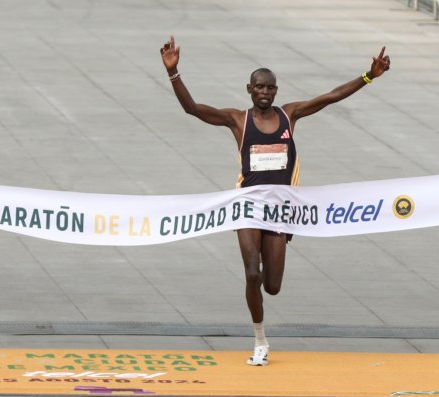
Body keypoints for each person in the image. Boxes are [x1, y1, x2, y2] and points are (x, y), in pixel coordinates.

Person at [160, 36, 390, 366]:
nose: (264, 92)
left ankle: (272, 258)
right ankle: (260, 340)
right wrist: (174, 72)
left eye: (270, 88)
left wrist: (368, 76)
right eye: (259, 87)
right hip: (248, 207)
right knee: (252, 274)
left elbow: (330, 97)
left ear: (276, 91)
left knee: (272, 286)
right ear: (249, 90)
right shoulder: (237, 120)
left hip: (280, 210)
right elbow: (193, 109)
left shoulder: (290, 115)